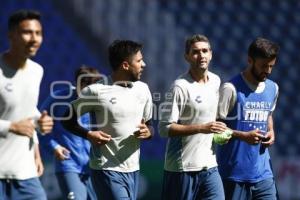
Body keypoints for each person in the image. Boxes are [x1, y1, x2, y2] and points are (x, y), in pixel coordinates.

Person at [62, 40, 153, 200]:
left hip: (133, 169)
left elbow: (149, 126)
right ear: (125, 65)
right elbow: (66, 119)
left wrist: (148, 132)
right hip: (106, 168)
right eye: (139, 61)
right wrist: (89, 134)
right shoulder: (96, 91)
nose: (143, 64)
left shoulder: (143, 89)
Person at [159, 34, 227, 200]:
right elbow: (164, 128)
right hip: (183, 167)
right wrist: (202, 128)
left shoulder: (216, 82)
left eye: (205, 51)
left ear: (211, 54)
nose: (201, 55)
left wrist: (220, 130)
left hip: (210, 166)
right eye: (196, 52)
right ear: (187, 57)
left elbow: (213, 117)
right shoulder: (179, 87)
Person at [216, 37, 280, 199]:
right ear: (250, 60)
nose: (268, 71)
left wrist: (271, 131)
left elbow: (268, 115)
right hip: (234, 174)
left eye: (271, 66)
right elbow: (216, 132)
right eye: (264, 66)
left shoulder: (273, 88)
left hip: (264, 174)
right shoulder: (230, 89)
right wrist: (243, 136)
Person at [0, 9, 53, 200]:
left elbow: (28, 113)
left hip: (26, 174)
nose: (34, 39)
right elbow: (17, 124)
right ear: (11, 35)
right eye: (27, 32)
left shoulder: (36, 71)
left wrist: (36, 152)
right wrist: (11, 127)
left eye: (38, 33)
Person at [39, 66, 101, 200]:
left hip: (94, 167)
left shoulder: (100, 102)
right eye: (86, 87)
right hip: (69, 164)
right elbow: (39, 126)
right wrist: (54, 147)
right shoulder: (58, 98)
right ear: (79, 84)